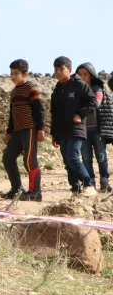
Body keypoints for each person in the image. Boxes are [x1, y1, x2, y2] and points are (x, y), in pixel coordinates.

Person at [50, 56, 97, 196]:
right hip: (62, 131)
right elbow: (54, 114)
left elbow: (93, 102)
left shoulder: (79, 85)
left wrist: (80, 114)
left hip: (76, 129)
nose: (58, 72)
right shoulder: (57, 91)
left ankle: (89, 184)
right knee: (67, 160)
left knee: (73, 156)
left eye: (61, 69)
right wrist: (54, 133)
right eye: (56, 69)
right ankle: (75, 188)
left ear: (69, 70)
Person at [1, 59, 45, 201]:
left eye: (16, 73)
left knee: (29, 160)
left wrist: (40, 129)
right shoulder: (14, 92)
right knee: (8, 157)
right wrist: (9, 132)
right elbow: (12, 115)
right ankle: (17, 189)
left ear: (24, 74)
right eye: (11, 73)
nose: (12, 76)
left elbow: (39, 110)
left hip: (30, 129)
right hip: (17, 131)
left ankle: (35, 192)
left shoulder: (31, 88)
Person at [76, 63, 113, 192]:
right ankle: (90, 183)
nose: (82, 76)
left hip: (97, 130)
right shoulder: (76, 90)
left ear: (91, 75)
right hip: (82, 131)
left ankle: (104, 182)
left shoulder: (97, 88)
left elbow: (96, 103)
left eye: (85, 74)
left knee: (101, 156)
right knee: (86, 158)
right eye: (80, 74)